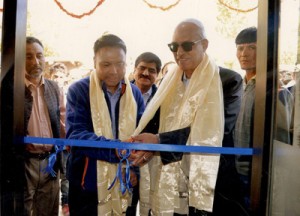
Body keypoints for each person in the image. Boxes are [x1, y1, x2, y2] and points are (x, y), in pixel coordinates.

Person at [132, 18, 225, 215]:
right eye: (174, 46)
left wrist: (158, 141)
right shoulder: (169, 79)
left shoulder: (226, 80)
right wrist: (146, 144)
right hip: (166, 176)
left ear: (204, 45)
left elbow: (215, 134)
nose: (179, 52)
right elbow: (154, 121)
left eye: (187, 45)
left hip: (204, 182)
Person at [65, 34, 145, 215]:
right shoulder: (79, 90)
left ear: (127, 62)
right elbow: (76, 134)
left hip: (125, 182)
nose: (114, 71)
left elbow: (140, 136)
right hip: (87, 184)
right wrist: (115, 150)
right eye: (106, 64)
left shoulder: (134, 93)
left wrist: (133, 169)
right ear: (94, 62)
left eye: (120, 64)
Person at [24, 36, 65, 216]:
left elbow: (63, 126)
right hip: (23, 164)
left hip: (50, 164)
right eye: (28, 56)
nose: (35, 61)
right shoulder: (11, 89)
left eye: (39, 55)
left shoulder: (54, 88)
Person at [234, 27, 257, 213]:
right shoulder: (240, 86)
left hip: (255, 178)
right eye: (240, 48)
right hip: (236, 175)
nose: (244, 53)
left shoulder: (271, 89)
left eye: (252, 47)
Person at [49, 62, 70, 216]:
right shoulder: (47, 93)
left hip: (67, 143)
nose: (58, 79)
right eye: (55, 76)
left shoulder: (71, 95)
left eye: (60, 77)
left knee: (66, 175)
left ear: (65, 78)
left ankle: (66, 204)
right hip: (50, 143)